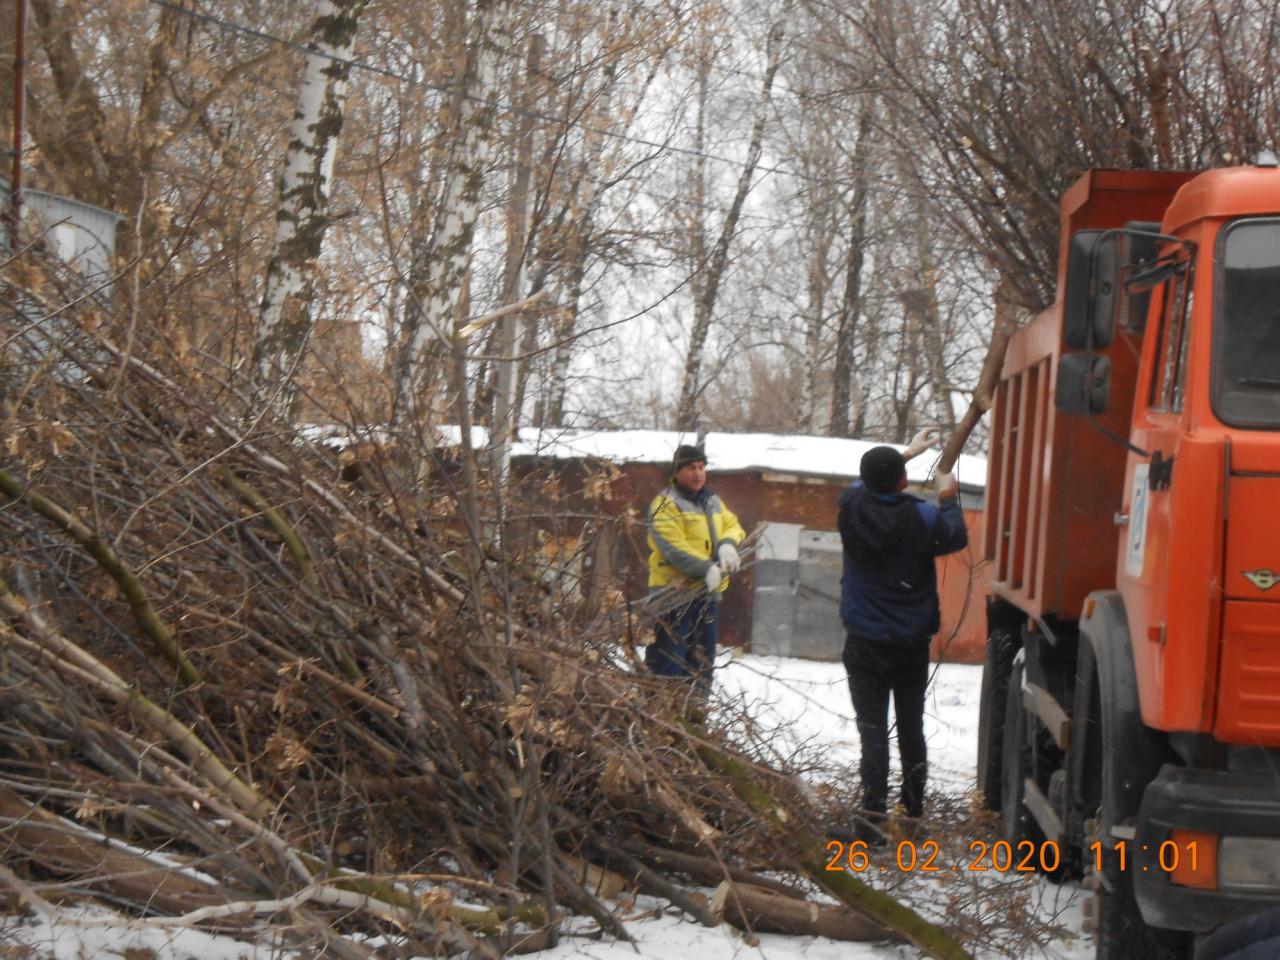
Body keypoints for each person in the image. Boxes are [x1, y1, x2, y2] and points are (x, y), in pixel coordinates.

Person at [836, 429, 967, 843]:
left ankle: (870, 821)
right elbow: (956, 534)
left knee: (872, 731)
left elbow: (865, 482)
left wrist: (904, 454)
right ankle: (911, 817)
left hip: (864, 642)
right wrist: (948, 493)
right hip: (910, 644)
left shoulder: (850, 508)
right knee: (911, 729)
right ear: (902, 482)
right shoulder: (921, 518)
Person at [645, 444, 746, 688]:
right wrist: (705, 568)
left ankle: (694, 719)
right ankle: (661, 716)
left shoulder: (712, 502)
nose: (698, 474)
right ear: (677, 471)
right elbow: (673, 547)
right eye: (691, 468)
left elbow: (733, 525)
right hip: (673, 597)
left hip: (706, 596)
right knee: (668, 662)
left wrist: (727, 545)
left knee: (701, 664)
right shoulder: (665, 504)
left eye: (701, 468)